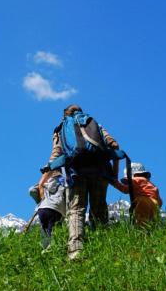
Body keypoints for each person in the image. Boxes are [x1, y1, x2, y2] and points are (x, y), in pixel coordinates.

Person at [40, 104, 120, 260]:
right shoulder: (93, 123)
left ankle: (76, 250)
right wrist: (114, 173)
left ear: (65, 115)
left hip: (76, 171)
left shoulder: (62, 127)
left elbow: (56, 153)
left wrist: (46, 175)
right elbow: (114, 144)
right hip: (99, 170)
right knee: (99, 208)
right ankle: (103, 246)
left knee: (76, 209)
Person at [29, 170, 66, 250]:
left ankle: (44, 252)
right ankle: (53, 251)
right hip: (57, 209)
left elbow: (32, 191)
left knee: (45, 233)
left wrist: (40, 200)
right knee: (54, 234)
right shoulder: (64, 182)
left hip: (42, 209)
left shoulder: (45, 184)